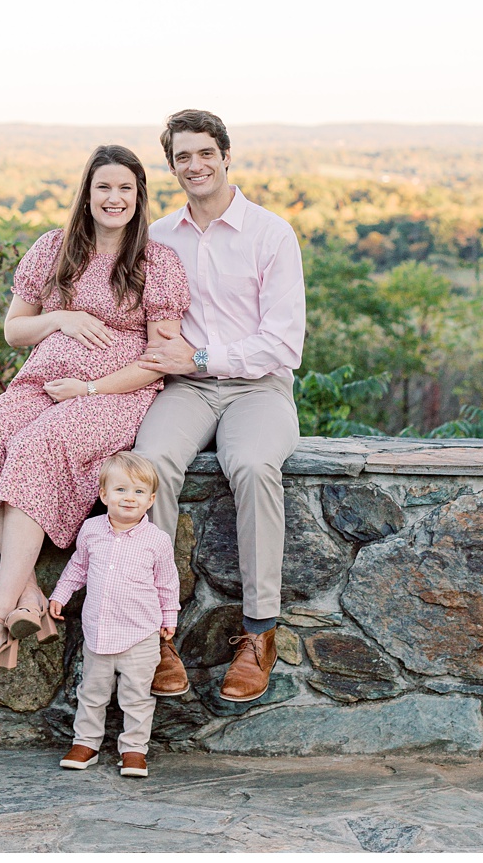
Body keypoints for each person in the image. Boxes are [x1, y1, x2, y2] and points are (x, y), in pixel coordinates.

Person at [0, 145, 190, 675]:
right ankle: (30, 599)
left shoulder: (156, 262)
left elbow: (161, 358)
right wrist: (60, 319)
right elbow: (14, 330)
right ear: (86, 194)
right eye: (104, 187)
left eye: (125, 188)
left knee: (34, 447)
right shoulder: (54, 248)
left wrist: (90, 388)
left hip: (113, 394)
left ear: (139, 196)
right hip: (39, 384)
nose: (114, 198)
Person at [131, 108, 306, 702]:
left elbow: (282, 344)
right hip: (187, 389)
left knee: (253, 466)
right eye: (183, 156)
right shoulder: (158, 237)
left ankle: (259, 632)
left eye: (206, 153)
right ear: (172, 165)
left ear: (226, 156)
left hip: (258, 387)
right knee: (149, 466)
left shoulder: (271, 234)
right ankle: (156, 633)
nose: (196, 165)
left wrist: (202, 356)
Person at [51, 451, 180, 778]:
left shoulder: (157, 541)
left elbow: (167, 583)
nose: (129, 498)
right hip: (99, 633)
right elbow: (78, 567)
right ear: (104, 494)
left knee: (136, 697)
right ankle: (86, 743)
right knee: (91, 693)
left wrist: (169, 617)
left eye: (138, 491)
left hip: (141, 635)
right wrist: (61, 594)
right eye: (121, 489)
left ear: (150, 500)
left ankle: (134, 749)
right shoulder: (91, 530)